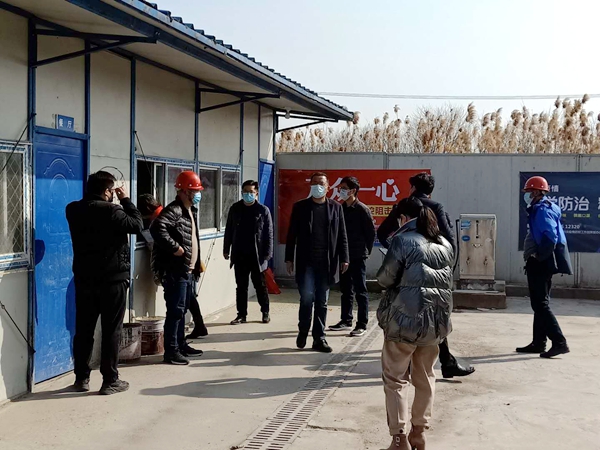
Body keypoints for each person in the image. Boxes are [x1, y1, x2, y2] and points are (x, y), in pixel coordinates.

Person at [377, 172, 475, 379]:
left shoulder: (403, 206)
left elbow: (382, 233)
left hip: (405, 276)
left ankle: (418, 365)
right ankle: (445, 363)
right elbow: (450, 241)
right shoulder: (436, 207)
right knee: (434, 317)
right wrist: (446, 270)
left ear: (413, 188)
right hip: (435, 272)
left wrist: (395, 255)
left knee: (406, 317)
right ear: (430, 190)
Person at [376, 197, 454, 450]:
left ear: (403, 218)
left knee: (395, 378)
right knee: (426, 376)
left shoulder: (402, 240)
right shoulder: (444, 243)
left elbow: (385, 279)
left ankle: (399, 438)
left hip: (404, 320)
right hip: (435, 321)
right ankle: (419, 433)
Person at [66, 171, 143, 395]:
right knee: (111, 331)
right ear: (108, 191)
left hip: (85, 279)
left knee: (84, 330)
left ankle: (81, 378)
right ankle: (110, 380)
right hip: (112, 280)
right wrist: (126, 199)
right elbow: (137, 225)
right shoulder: (112, 211)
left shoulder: (73, 209)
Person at [285, 172, 349, 353]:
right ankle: (303, 331)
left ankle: (319, 338)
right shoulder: (300, 207)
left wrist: (345, 258)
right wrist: (289, 258)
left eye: (321, 183)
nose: (317, 186)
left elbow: (342, 235)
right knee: (306, 298)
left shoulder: (336, 207)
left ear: (328, 187)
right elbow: (292, 234)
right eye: (314, 183)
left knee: (322, 301)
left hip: (327, 263)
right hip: (306, 262)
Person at [150, 171, 205, 365]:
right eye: (194, 191)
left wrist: (196, 265)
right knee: (175, 311)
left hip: (187, 271)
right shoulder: (174, 210)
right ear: (184, 191)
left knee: (181, 311)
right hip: (175, 270)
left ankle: (181, 345)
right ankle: (171, 351)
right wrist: (175, 248)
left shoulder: (189, 210)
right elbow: (156, 228)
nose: (197, 195)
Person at [139, 193, 208, 339]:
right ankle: (189, 334)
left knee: (178, 307)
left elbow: (157, 241)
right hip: (181, 267)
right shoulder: (170, 213)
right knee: (183, 303)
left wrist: (176, 249)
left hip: (177, 267)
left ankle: (177, 343)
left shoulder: (163, 217)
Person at [517, 176, 571, 358]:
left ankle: (559, 342)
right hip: (545, 261)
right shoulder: (546, 208)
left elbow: (550, 236)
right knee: (540, 303)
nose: (527, 195)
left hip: (541, 262)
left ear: (537, 192)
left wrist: (539, 256)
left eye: (529, 192)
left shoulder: (541, 210)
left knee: (540, 304)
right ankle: (539, 342)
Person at [329, 176, 375, 337]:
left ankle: (362, 324)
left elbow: (370, 233)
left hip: (358, 255)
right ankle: (346, 320)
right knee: (345, 289)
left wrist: (366, 251)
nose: (340, 191)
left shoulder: (362, 209)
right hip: (344, 256)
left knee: (360, 290)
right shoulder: (340, 208)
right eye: (340, 188)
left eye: (343, 188)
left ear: (353, 191)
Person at [224, 180, 274, 325]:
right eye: (245, 192)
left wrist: (267, 254)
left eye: (251, 192)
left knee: (260, 285)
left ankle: (265, 312)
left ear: (256, 193)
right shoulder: (235, 208)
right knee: (241, 286)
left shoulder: (263, 210)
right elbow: (229, 230)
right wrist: (226, 249)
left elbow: (269, 233)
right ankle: (241, 314)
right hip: (239, 254)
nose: (248, 194)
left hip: (257, 255)